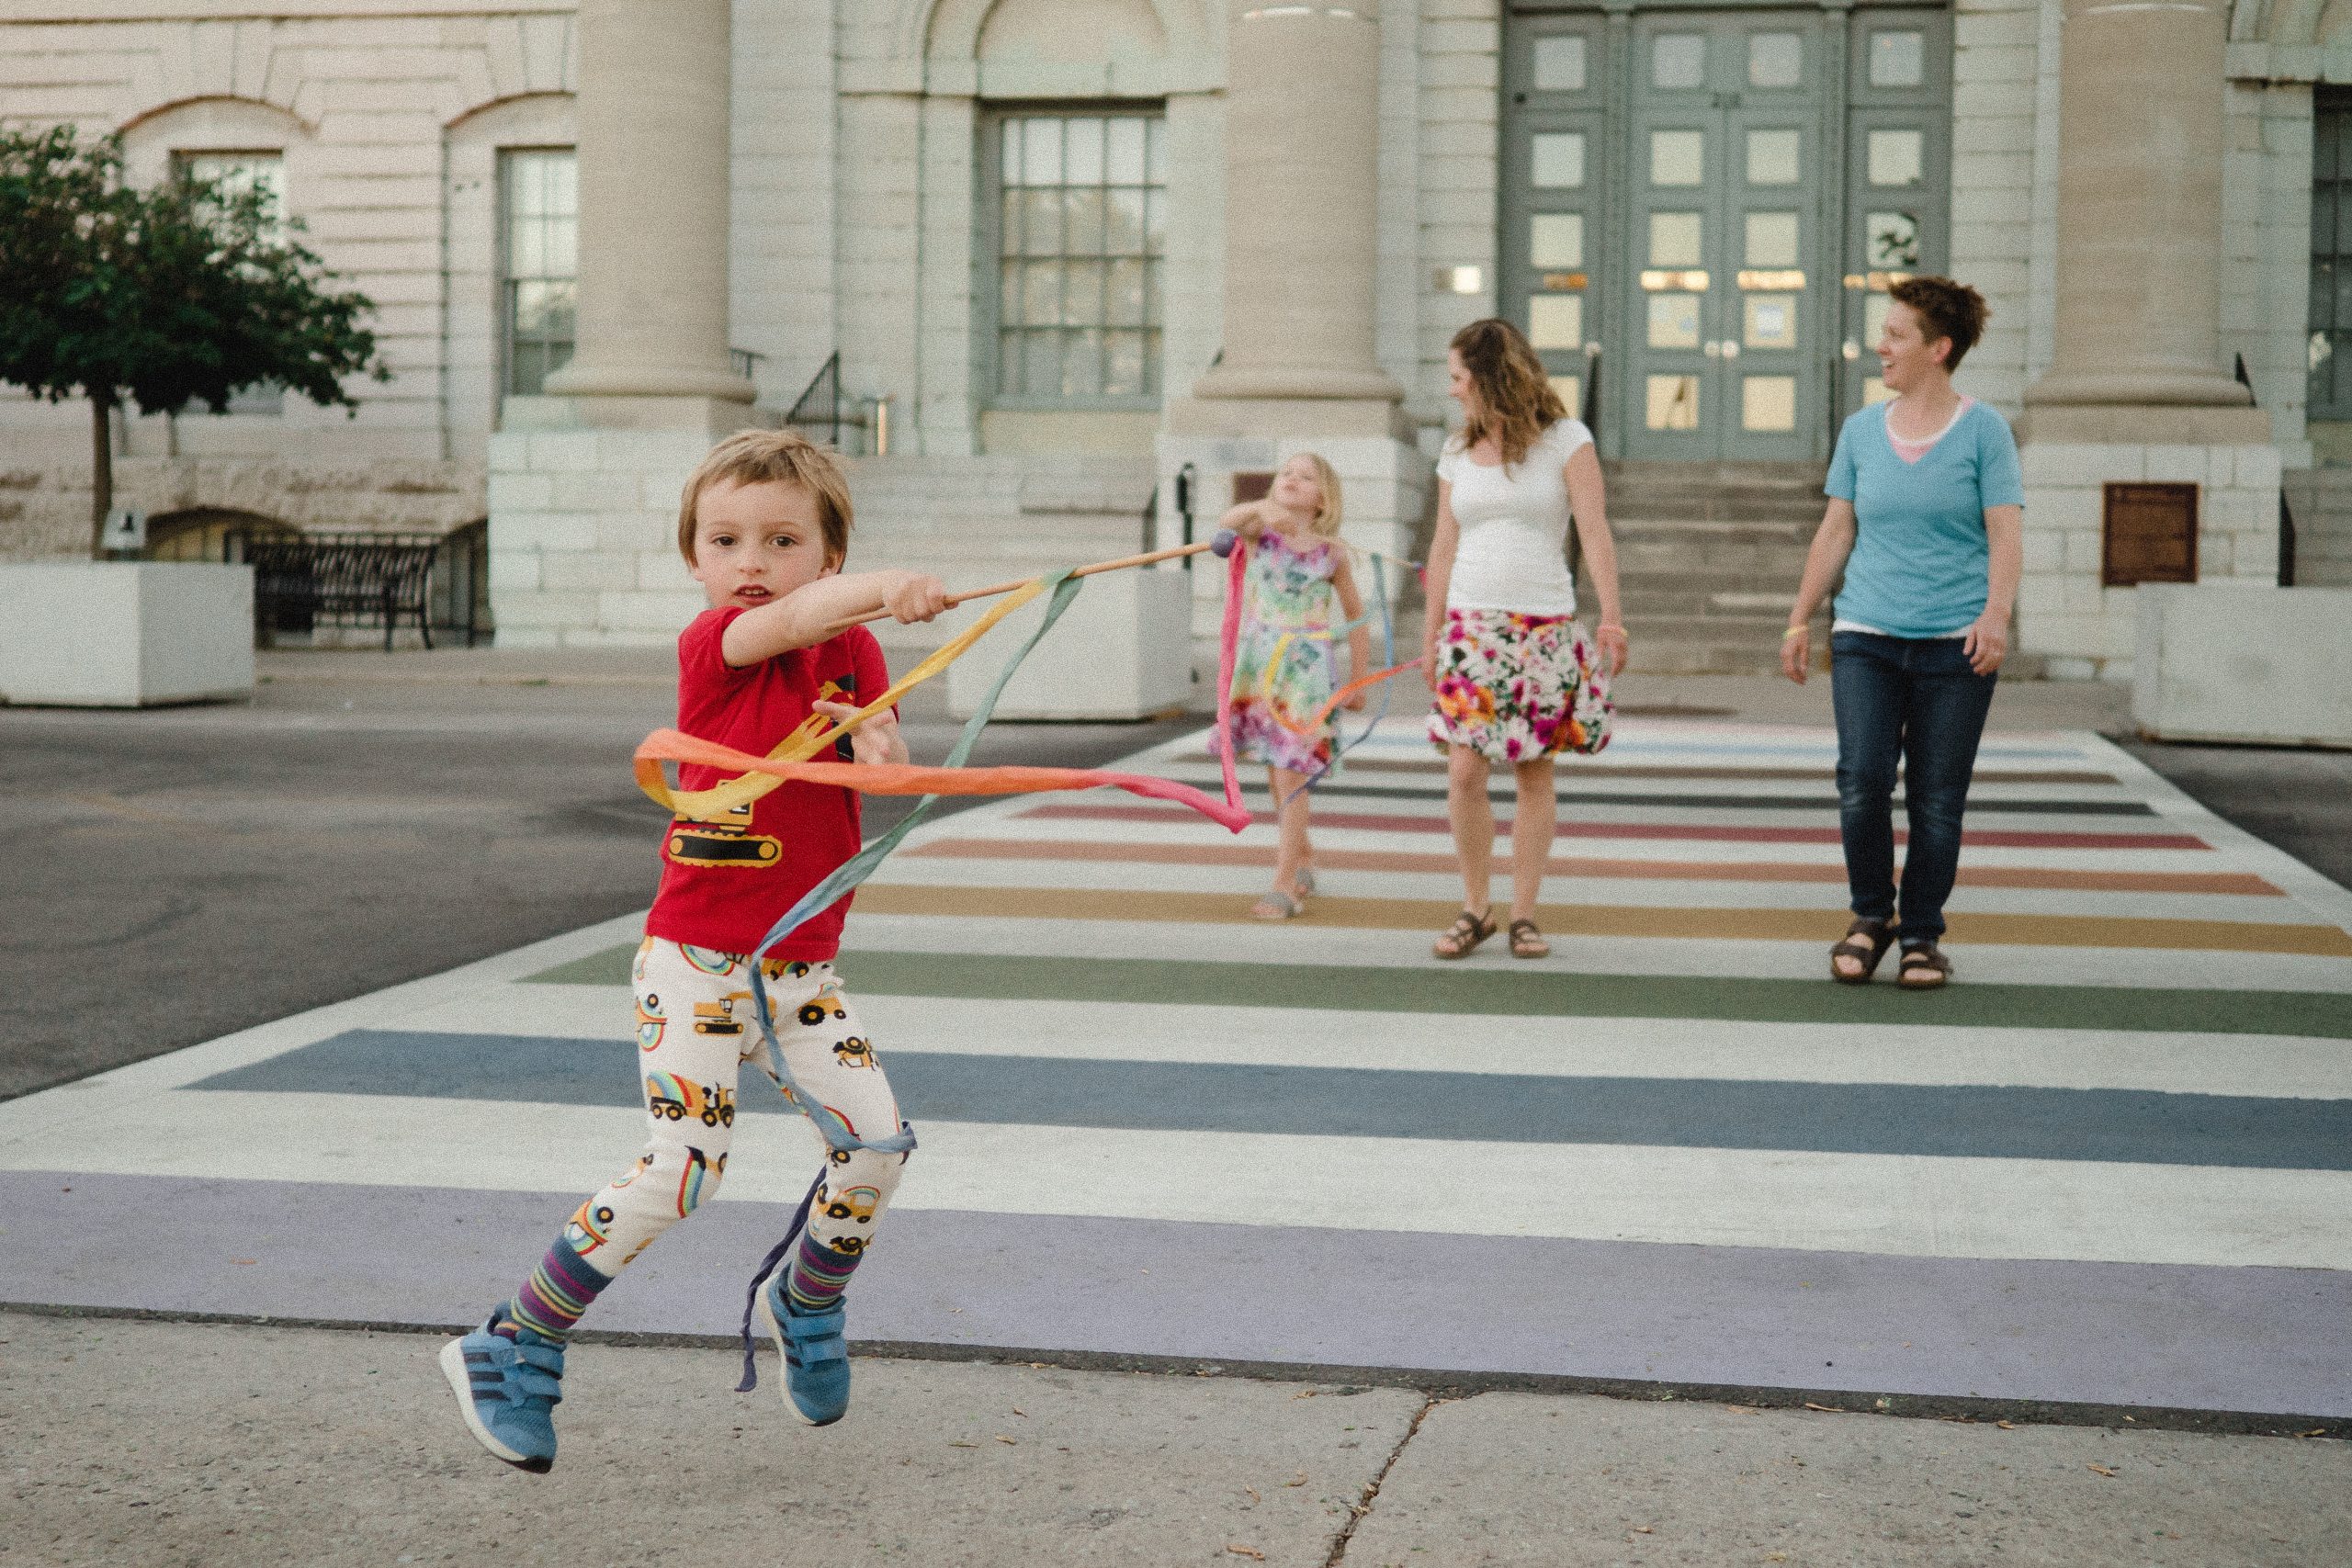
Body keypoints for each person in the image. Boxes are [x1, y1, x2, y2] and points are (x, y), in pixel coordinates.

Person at [441, 429, 949, 1471]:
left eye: (781, 540)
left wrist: (880, 747)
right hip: (698, 963)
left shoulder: (851, 647)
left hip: (798, 968)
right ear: (697, 563)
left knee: (877, 1148)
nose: (751, 563)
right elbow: (797, 620)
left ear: (828, 552)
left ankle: (805, 1302)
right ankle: (514, 1339)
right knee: (686, 1168)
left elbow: (877, 749)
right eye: (725, 540)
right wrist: (882, 587)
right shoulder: (716, 645)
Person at [1780, 276, 2023, 990]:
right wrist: (1800, 616)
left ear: (1938, 348)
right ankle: (1868, 916)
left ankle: (1920, 934)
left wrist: (1996, 615)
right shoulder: (1861, 431)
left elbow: (2004, 534)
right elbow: (1836, 529)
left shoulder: (1984, 432)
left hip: (1957, 643)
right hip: (1866, 635)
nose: (1880, 346)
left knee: (1937, 797)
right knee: (1860, 780)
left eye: (1896, 335)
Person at [1423, 318, 1628, 961]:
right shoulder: (1456, 451)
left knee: (1534, 771)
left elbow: (1593, 532)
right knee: (1464, 772)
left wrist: (1612, 616)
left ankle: (1523, 914)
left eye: (1459, 377)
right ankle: (1475, 905)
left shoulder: (1568, 440)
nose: (1453, 390)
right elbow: (1443, 544)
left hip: (1542, 624)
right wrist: (1431, 633)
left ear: (1489, 376)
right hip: (1470, 626)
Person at [1221, 452, 1372, 919]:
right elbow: (1224, 527)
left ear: (1323, 499)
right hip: (1261, 662)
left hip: (1304, 670)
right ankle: (1302, 856)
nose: (1291, 479)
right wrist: (1257, 511)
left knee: (1291, 773)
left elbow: (1356, 616)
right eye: (1285, 473)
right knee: (1274, 768)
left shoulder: (1332, 553)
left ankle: (1285, 883)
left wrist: (1359, 678)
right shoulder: (1260, 533)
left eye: (1305, 477)